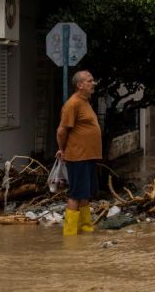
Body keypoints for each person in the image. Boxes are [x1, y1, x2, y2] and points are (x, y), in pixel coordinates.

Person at [56, 70, 102, 236]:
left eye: (93, 80)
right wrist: (62, 149)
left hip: (88, 157)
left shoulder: (85, 102)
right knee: (76, 194)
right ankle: (69, 234)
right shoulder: (73, 103)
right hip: (78, 157)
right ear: (79, 85)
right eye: (89, 81)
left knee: (85, 194)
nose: (93, 83)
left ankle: (85, 228)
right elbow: (61, 130)